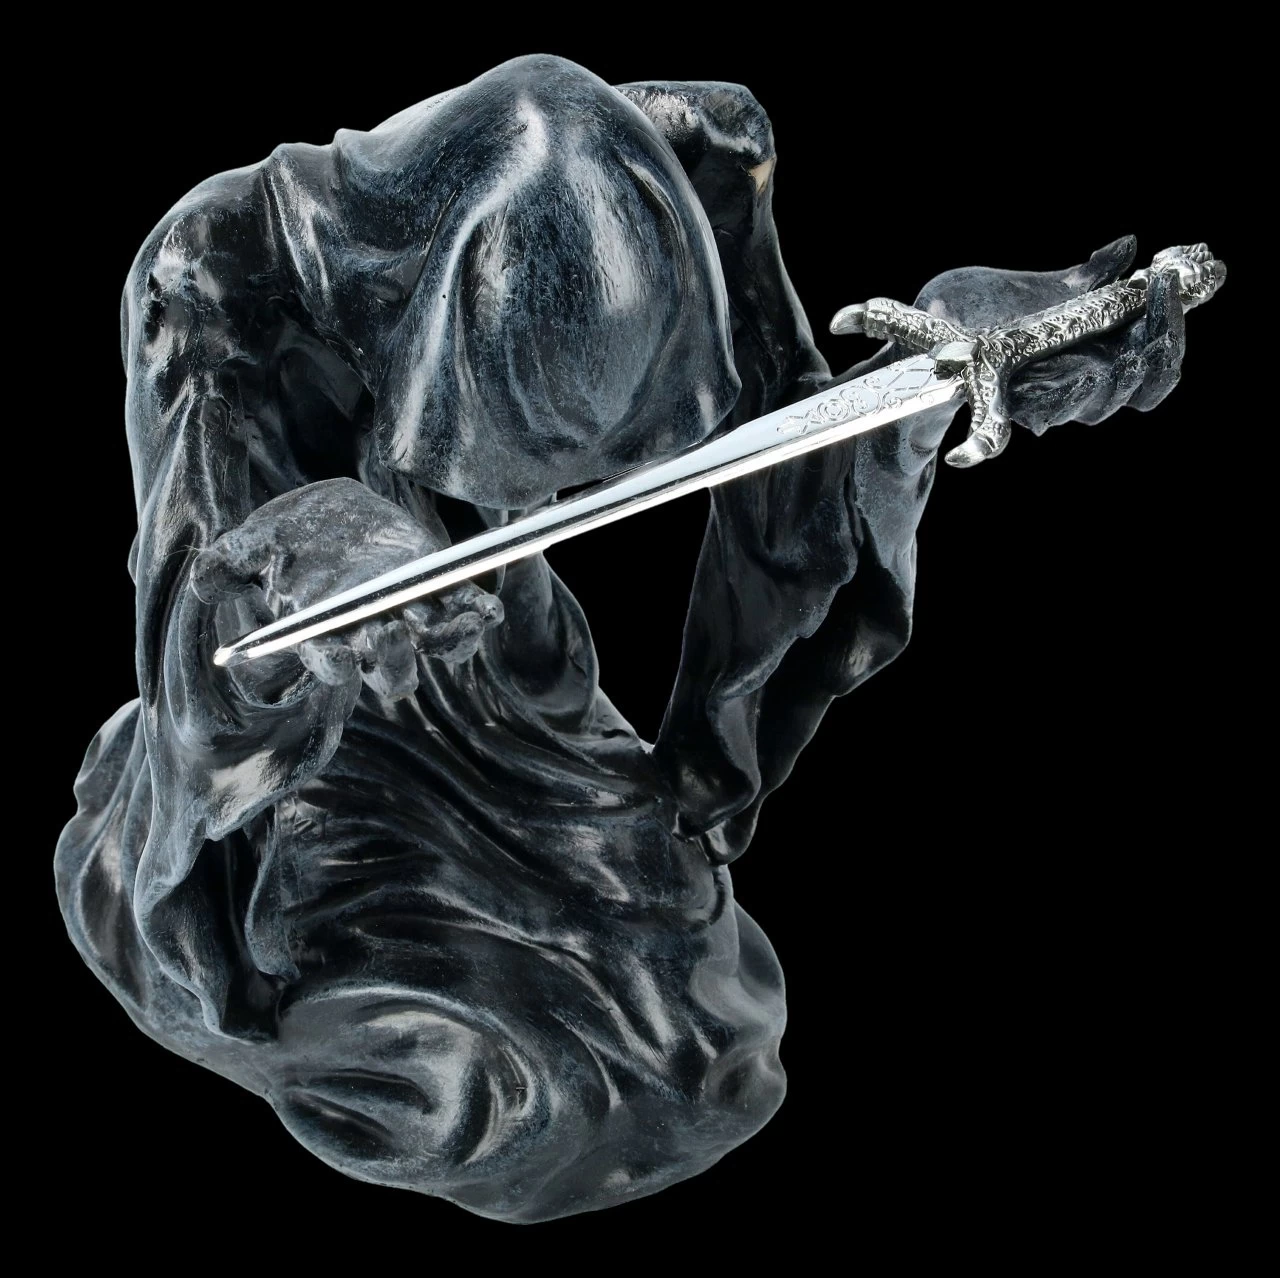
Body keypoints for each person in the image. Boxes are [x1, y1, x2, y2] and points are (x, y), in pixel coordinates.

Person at [54, 54, 1186, 1222]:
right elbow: (199, 629)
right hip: (327, 719)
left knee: (683, 1019)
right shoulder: (211, 276)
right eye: (537, 467)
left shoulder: (691, 160)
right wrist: (307, 552)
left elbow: (783, 479)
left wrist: (928, 377)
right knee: (504, 1080)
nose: (565, 502)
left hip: (497, 649)